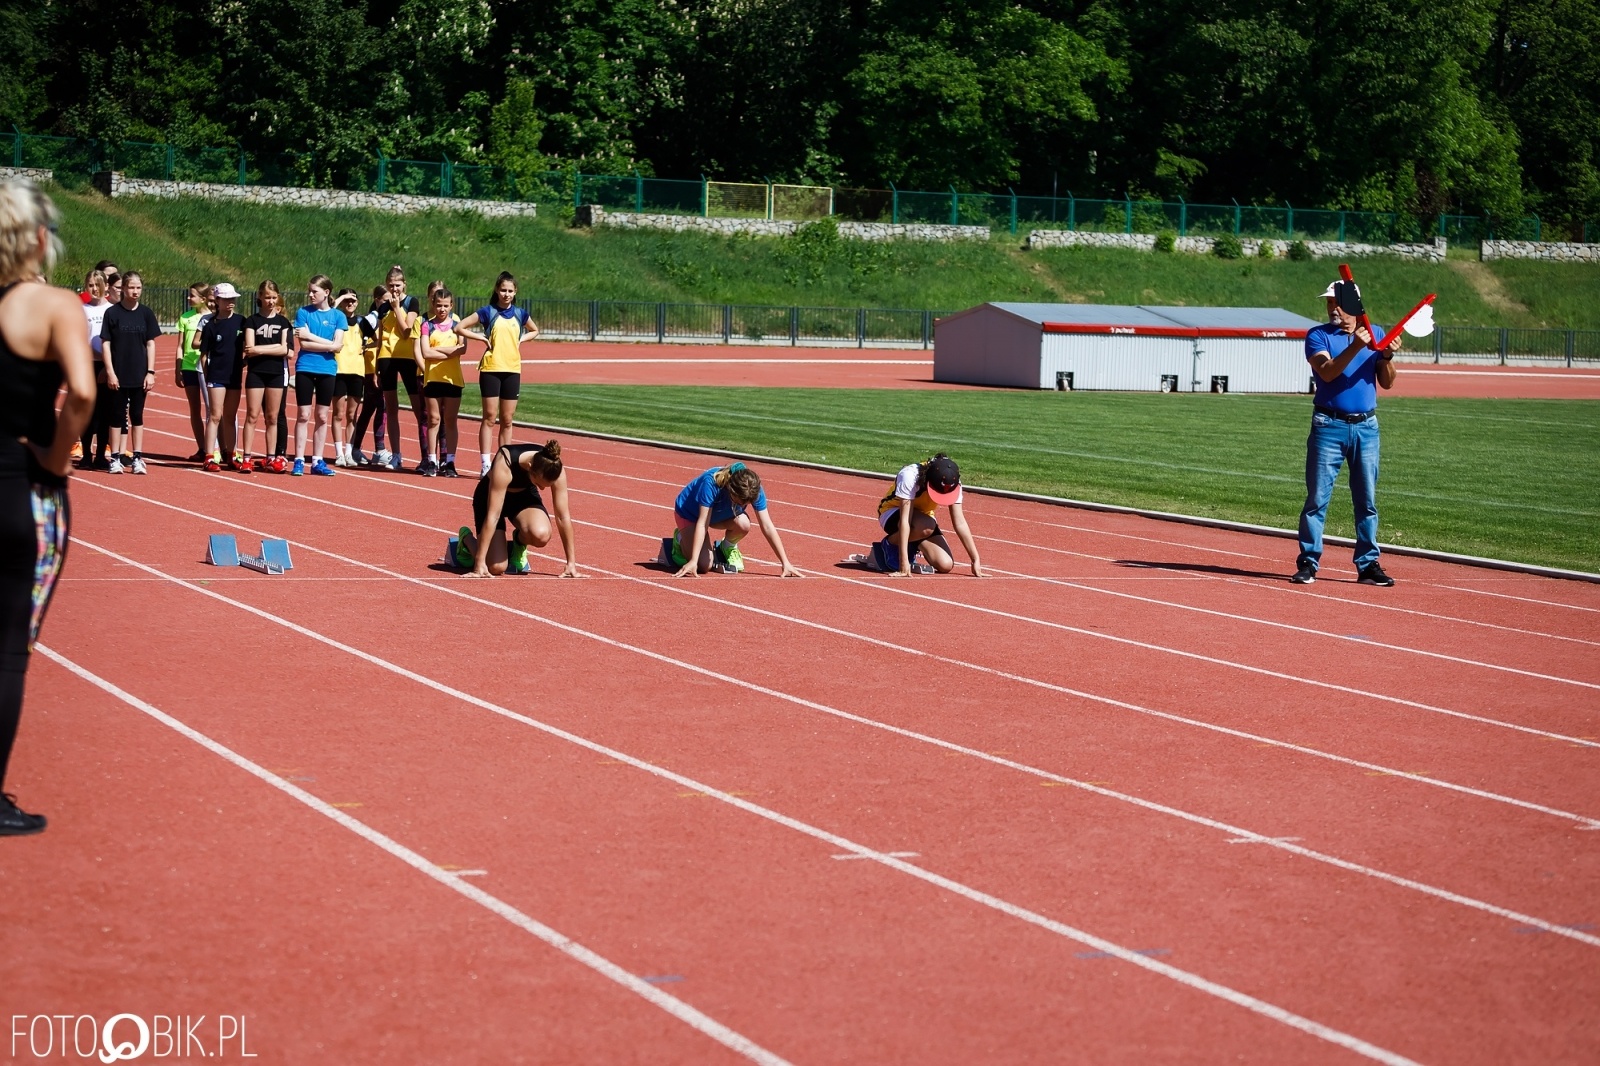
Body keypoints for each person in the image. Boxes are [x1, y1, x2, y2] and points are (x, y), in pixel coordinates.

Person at [0, 180, 96, 835]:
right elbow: (84, 396)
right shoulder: (54, 304)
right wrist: (58, 455)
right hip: (21, 484)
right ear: (39, 236)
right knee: (8, 648)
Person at [1292, 280, 1402, 587]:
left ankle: (1368, 565)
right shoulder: (1318, 336)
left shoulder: (1376, 333)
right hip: (1328, 425)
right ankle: (1308, 562)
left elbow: (1388, 381)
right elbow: (1327, 372)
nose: (1332, 308)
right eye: (1328, 303)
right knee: (1317, 498)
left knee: (1366, 500)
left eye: (1337, 302)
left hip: (1367, 427)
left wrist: (1387, 357)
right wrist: (1357, 345)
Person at [456, 439, 579, 577]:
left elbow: (562, 517)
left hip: (522, 497)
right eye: (539, 483)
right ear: (529, 466)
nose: (542, 488)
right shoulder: (506, 461)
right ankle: (465, 540)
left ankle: (518, 543)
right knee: (496, 567)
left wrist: (571, 563)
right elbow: (493, 515)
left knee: (541, 535)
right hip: (489, 498)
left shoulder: (554, 467)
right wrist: (479, 563)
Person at [456, 271, 537, 477]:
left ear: (515, 291)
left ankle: (505, 462)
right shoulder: (487, 312)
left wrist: (521, 340)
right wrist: (481, 338)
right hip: (491, 369)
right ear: (496, 290)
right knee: (490, 417)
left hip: (512, 369)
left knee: (507, 419)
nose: (506, 294)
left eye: (510, 291)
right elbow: (460, 327)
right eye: (503, 290)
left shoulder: (520, 314)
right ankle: (485, 464)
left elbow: (535, 330)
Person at [663, 462, 800, 577]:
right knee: (704, 565)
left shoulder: (753, 489)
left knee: (744, 524)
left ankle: (726, 546)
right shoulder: (711, 483)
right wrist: (693, 560)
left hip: (719, 515)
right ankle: (679, 539)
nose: (742, 505)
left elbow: (767, 525)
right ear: (730, 489)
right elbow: (703, 522)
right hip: (690, 515)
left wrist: (785, 562)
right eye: (739, 502)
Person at [865, 453, 984, 577]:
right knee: (926, 525)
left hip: (923, 519)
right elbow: (905, 520)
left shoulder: (952, 481)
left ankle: (912, 543)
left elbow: (959, 522)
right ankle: (890, 544)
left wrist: (975, 559)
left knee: (945, 565)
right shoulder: (909, 476)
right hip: (892, 512)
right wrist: (904, 562)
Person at [99, 270, 161, 475]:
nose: (135, 292)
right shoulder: (112, 313)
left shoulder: (146, 313)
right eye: (131, 288)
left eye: (138, 288)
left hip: (139, 373)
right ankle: (115, 457)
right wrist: (110, 372)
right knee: (117, 416)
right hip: (119, 373)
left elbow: (150, 344)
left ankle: (137, 457)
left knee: (137, 415)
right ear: (123, 289)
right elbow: (106, 344)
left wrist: (150, 371)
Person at [368, 266, 424, 472]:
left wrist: (398, 307)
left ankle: (426, 455)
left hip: (407, 357)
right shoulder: (383, 308)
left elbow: (406, 330)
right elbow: (381, 337)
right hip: (387, 358)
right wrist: (375, 368)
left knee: (419, 409)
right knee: (391, 408)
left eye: (398, 285)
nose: (394, 289)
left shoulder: (411, 303)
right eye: (391, 286)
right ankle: (396, 454)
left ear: (404, 284)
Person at [290, 274, 344, 476]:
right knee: (303, 414)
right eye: (310, 291)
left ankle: (317, 460)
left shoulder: (338, 316)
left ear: (326, 293)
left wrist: (314, 338)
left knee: (322, 415)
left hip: (327, 370)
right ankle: (298, 459)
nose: (311, 294)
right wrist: (329, 345)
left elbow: (338, 346)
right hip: (305, 367)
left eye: (315, 291)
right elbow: (303, 344)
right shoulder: (303, 312)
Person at [241, 279, 293, 473]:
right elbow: (248, 348)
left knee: (272, 417)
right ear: (259, 298)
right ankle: (246, 456)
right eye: (267, 297)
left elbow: (284, 349)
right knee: (252, 415)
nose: (270, 301)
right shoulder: (252, 321)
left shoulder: (283, 322)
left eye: (273, 297)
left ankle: (270, 457)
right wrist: (271, 349)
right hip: (256, 373)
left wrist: (259, 350)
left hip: (276, 374)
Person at [417, 286, 464, 477]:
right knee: (433, 419)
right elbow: (426, 352)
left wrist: (440, 352)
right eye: (438, 305)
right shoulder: (427, 325)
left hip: (453, 379)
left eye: (445, 306)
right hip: (433, 378)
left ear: (451, 305)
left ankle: (450, 462)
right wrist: (449, 351)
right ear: (433, 305)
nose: (442, 309)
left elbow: (462, 349)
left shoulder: (457, 325)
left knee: (450, 420)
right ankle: (432, 460)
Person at [199, 283, 246, 471]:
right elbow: (204, 354)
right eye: (226, 299)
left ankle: (231, 453)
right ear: (217, 301)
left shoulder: (242, 322)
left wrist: (245, 363)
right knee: (215, 415)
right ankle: (209, 456)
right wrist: (207, 373)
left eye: (232, 298)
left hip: (234, 375)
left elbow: (247, 347)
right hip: (216, 375)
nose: (230, 302)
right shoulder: (210, 326)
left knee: (230, 416)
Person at [348, 284, 388, 465]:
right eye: (386, 300)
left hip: (379, 367)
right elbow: (364, 342)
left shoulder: (388, 317)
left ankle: (357, 447)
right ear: (377, 300)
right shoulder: (372, 319)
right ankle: (379, 449)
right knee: (381, 406)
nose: (389, 303)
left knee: (370, 409)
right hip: (371, 369)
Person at [78, 270, 112, 469]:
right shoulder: (82, 310)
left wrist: (107, 366)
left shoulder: (112, 310)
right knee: (87, 412)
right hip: (87, 364)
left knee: (104, 412)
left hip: (106, 366)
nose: (94, 289)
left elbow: (115, 342)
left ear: (106, 286)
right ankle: (86, 455)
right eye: (90, 285)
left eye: (98, 284)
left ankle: (101, 455)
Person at [176, 283, 212, 461]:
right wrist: (178, 369)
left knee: (210, 408)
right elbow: (180, 346)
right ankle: (202, 448)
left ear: (203, 299)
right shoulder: (185, 317)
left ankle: (214, 447)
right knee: (194, 409)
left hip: (206, 367)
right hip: (189, 367)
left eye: (192, 296)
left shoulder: (213, 318)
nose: (189, 299)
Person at [329, 288, 365, 467]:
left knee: (352, 414)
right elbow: (328, 312)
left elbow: (378, 339)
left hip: (357, 371)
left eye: (353, 301)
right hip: (339, 370)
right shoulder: (336, 318)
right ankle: (338, 453)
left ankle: (349, 452)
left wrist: (366, 347)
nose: (350, 304)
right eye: (347, 301)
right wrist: (341, 298)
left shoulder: (361, 322)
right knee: (338, 413)